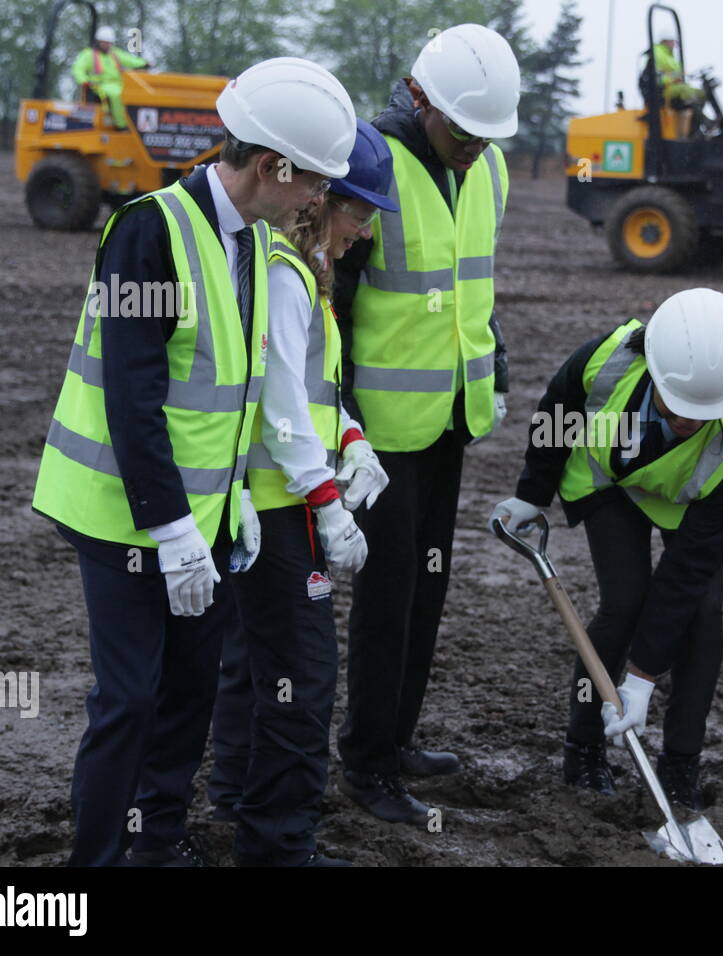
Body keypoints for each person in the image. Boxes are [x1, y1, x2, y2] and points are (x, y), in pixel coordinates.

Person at [32, 57, 357, 866]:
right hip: (122, 515)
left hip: (204, 518)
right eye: (311, 181)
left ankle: (156, 847)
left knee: (188, 695)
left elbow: (234, 391)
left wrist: (231, 502)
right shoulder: (149, 230)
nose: (318, 199)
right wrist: (175, 531)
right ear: (270, 165)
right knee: (129, 702)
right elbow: (130, 400)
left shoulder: (247, 240)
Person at [330, 24, 520, 825]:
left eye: (487, 135)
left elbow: (473, 283)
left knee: (428, 588)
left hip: (451, 420)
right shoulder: (372, 165)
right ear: (419, 99)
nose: (475, 147)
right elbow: (331, 304)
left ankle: (396, 737)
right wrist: (338, 416)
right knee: (388, 596)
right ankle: (367, 763)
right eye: (462, 131)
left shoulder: (491, 168)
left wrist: (496, 362)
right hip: (381, 434)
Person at [207, 120, 395, 867]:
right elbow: (279, 404)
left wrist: (351, 438)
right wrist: (325, 499)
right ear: (323, 203)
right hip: (283, 508)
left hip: (282, 500)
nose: (367, 232)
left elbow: (311, 392)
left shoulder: (296, 271)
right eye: (361, 213)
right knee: (301, 679)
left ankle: (234, 797)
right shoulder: (285, 275)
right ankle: (277, 845)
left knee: (257, 665)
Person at [489, 289, 723, 808]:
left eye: (700, 414)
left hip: (685, 503)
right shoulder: (609, 358)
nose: (688, 422)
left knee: (703, 614)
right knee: (625, 602)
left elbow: (688, 570)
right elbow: (558, 408)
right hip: (608, 482)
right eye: (677, 406)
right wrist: (532, 494)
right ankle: (584, 747)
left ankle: (680, 765)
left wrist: (642, 678)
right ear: (653, 366)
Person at [70, 25, 150, 130]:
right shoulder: (88, 54)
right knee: (117, 95)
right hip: (99, 85)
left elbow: (130, 60)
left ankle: (137, 123)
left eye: (109, 43)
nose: (107, 45)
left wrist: (144, 63)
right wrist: (84, 81)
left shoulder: (115, 54)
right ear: (98, 42)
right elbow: (78, 69)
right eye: (105, 42)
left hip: (118, 83)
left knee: (135, 93)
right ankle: (121, 125)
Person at [650, 34, 704, 138]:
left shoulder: (670, 57)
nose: (674, 44)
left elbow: (677, 73)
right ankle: (690, 119)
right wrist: (672, 80)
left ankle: (697, 125)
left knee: (701, 94)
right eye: (672, 41)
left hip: (675, 87)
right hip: (665, 89)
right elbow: (657, 75)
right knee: (687, 92)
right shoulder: (657, 53)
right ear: (665, 41)